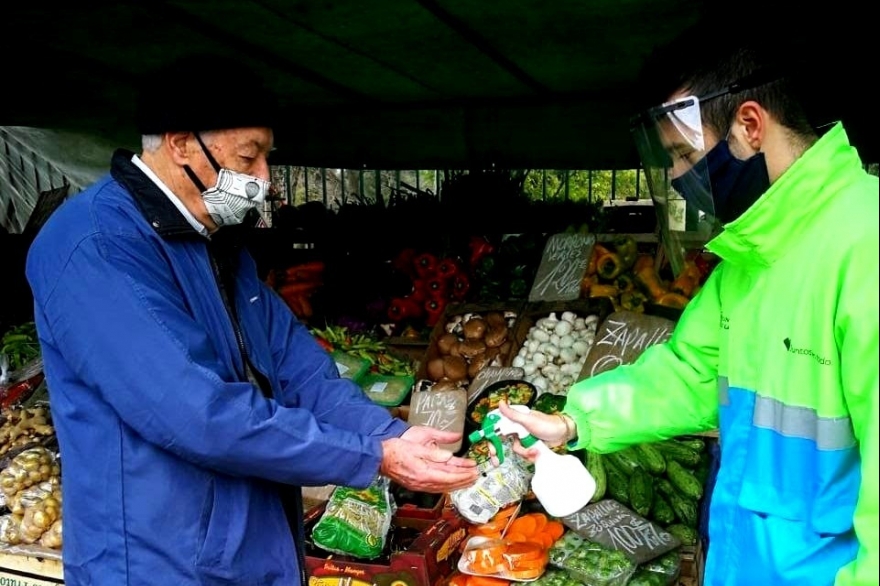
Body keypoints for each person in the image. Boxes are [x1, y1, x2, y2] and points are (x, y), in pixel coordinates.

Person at [24, 55, 478, 586]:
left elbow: (298, 369)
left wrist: (388, 433)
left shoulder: (216, 241)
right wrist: (370, 454)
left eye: (267, 157)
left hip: (247, 547)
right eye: (249, 156)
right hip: (158, 561)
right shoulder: (96, 246)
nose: (262, 178)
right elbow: (198, 413)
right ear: (179, 143)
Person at [498, 25, 878, 586]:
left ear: (750, 126)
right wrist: (573, 420)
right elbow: (691, 374)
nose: (677, 178)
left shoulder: (864, 247)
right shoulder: (748, 263)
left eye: (682, 153)